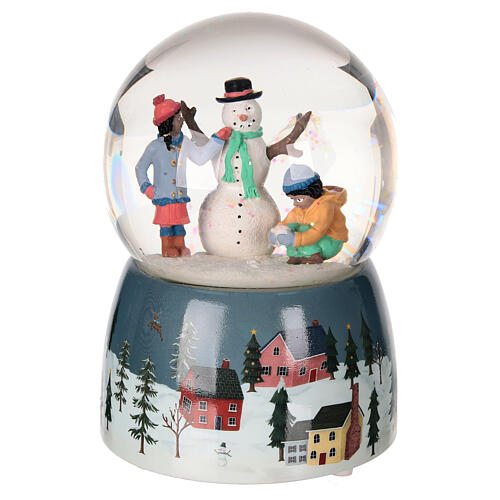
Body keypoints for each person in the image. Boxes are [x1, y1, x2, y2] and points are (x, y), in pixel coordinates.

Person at [136, 94, 231, 257]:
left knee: (179, 224)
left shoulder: (184, 141)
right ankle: (167, 247)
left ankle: (180, 245)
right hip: (163, 195)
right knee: (166, 225)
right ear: (168, 122)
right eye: (178, 117)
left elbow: (200, 157)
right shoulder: (154, 147)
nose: (181, 120)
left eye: (180, 117)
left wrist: (217, 140)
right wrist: (147, 188)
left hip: (179, 195)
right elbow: (140, 168)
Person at [270, 164, 348, 264]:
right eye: (293, 199)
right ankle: (295, 255)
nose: (295, 203)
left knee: (303, 229)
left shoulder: (325, 206)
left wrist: (294, 239)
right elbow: (288, 222)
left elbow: (318, 231)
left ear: (313, 192)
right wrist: (276, 232)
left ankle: (314, 256)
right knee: (291, 228)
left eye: (299, 199)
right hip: (315, 240)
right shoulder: (301, 208)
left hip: (331, 241)